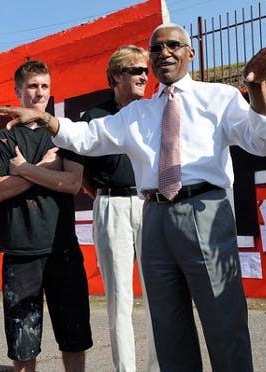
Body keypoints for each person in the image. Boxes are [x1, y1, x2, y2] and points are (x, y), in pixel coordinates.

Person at [0, 23, 266, 372]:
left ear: (190, 53)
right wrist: (45, 119)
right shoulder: (139, 112)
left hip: (204, 210)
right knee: (167, 323)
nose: (164, 53)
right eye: (157, 48)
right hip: (153, 215)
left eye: (173, 45)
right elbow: (89, 137)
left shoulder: (219, 97)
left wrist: (256, 88)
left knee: (221, 317)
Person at [0, 60, 93, 372]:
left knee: (74, 334)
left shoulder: (63, 134)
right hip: (20, 251)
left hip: (63, 248)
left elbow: (71, 183)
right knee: (22, 338)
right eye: (32, 86)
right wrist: (46, 168)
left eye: (44, 86)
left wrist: (25, 169)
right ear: (18, 91)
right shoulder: (2, 140)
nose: (39, 93)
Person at [79, 45, 158, 372]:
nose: (144, 76)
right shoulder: (94, 117)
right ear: (116, 76)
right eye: (136, 70)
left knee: (159, 295)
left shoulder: (154, 112)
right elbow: (81, 170)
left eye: (145, 71)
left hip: (150, 204)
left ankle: (159, 367)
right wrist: (102, 196)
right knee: (119, 299)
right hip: (110, 204)